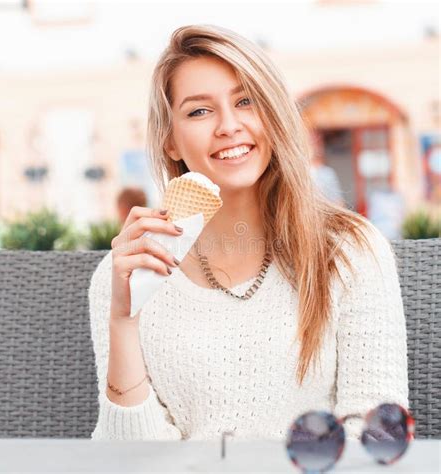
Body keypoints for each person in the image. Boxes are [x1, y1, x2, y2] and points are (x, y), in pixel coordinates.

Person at [88, 25, 408, 441]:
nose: (229, 125)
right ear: (169, 140)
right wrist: (123, 320)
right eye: (199, 111)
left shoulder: (350, 251)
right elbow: (129, 463)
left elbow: (378, 435)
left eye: (246, 101)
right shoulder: (124, 277)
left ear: (273, 116)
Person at [309, 131, 345, 207]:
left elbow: (338, 202)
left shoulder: (327, 173)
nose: (315, 147)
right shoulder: (298, 174)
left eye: (317, 143)